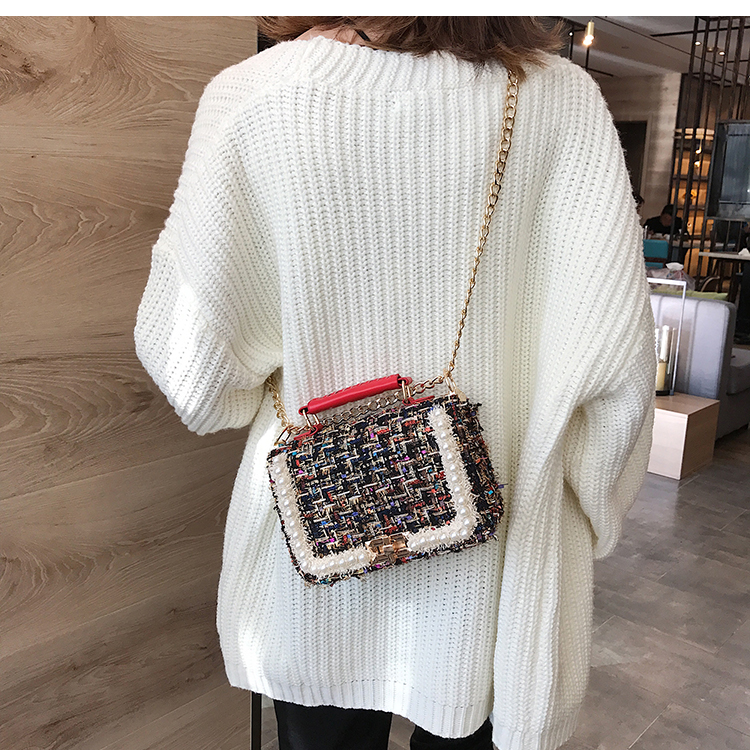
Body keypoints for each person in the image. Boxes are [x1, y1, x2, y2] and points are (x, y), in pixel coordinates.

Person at [134, 16, 656, 750]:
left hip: (315, 560)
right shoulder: (561, 99)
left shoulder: (253, 96)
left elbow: (199, 381)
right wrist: (594, 513)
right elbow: (618, 370)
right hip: (495, 572)